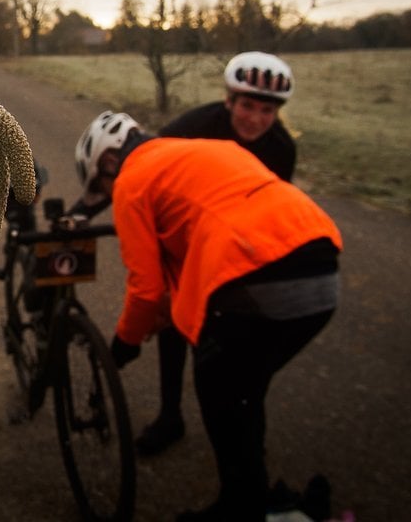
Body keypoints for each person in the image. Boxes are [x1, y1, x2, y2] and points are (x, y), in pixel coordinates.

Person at [74, 110, 340, 522]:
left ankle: (240, 508)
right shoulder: (212, 150)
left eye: (101, 186)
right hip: (320, 267)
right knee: (242, 390)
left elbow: (146, 290)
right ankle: (259, 501)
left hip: (254, 274)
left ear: (109, 161)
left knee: (220, 387)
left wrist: (123, 345)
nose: (108, 195)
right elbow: (188, 263)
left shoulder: (130, 181)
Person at [72, 51, 299, 456]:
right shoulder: (191, 128)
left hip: (236, 244)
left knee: (228, 353)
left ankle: (239, 436)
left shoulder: (282, 148)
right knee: (173, 317)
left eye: (268, 111)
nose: (255, 119)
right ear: (229, 100)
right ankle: (170, 414)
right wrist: (81, 213)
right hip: (188, 234)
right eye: (247, 105)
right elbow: (136, 176)